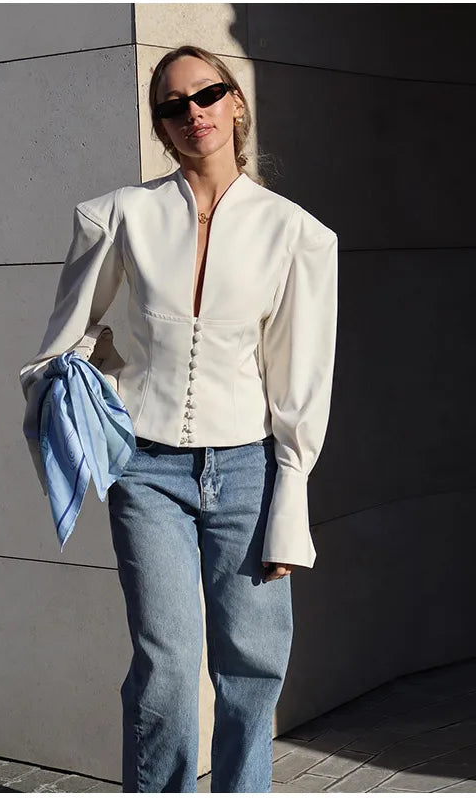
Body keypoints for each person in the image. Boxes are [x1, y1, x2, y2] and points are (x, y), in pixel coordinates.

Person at [20, 45, 338, 793]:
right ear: (161, 128)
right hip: (147, 470)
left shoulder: (295, 234)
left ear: (235, 105)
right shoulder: (120, 216)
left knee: (251, 671)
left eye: (206, 95)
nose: (192, 113)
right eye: (173, 105)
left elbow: (301, 383)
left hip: (250, 473)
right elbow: (60, 344)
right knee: (164, 670)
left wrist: (290, 504)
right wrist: (79, 384)